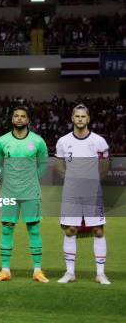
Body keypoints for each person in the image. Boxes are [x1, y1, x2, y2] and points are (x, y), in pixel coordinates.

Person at [0, 106, 49, 283]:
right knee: (7, 228)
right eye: (16, 116)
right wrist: (6, 177)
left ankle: (37, 270)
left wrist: (32, 180)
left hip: (31, 192)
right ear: (12, 120)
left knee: (34, 229)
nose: (19, 118)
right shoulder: (2, 141)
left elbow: (43, 164)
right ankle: (5, 270)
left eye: (22, 116)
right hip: (9, 192)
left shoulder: (38, 141)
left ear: (28, 120)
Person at [55, 104, 111, 285]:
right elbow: (59, 164)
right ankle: (70, 273)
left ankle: (100, 274)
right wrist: (69, 179)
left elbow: (104, 165)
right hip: (71, 192)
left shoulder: (99, 141)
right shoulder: (63, 141)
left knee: (98, 230)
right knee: (70, 231)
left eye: (83, 116)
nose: (80, 119)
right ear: (72, 119)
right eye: (77, 116)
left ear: (88, 119)